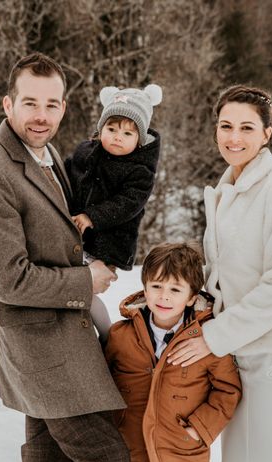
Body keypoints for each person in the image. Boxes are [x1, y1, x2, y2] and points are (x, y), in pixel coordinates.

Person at [0, 53, 130, 462]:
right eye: (30, 103)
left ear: (64, 108)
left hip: (62, 341)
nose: (41, 116)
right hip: (40, 351)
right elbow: (11, 280)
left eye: (52, 104)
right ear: (7, 104)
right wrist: (86, 280)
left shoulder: (44, 152)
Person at [166, 85, 272, 462]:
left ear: (267, 134)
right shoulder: (227, 191)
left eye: (246, 128)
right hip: (238, 353)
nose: (234, 138)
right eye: (226, 126)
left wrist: (214, 337)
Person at [104, 242, 242, 462]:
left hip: (182, 458)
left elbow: (228, 390)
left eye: (175, 290)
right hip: (131, 457)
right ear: (145, 290)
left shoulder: (206, 341)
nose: (164, 296)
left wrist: (198, 429)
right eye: (156, 286)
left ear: (191, 298)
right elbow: (101, 382)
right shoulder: (120, 336)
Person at [65, 84, 162, 341]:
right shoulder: (87, 152)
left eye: (128, 133)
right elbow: (69, 170)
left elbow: (127, 204)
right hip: (80, 235)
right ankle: (80, 332)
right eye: (112, 129)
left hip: (110, 241)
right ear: (101, 129)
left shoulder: (139, 170)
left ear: (139, 140)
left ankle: (107, 335)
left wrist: (91, 216)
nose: (118, 137)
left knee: (87, 289)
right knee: (74, 287)